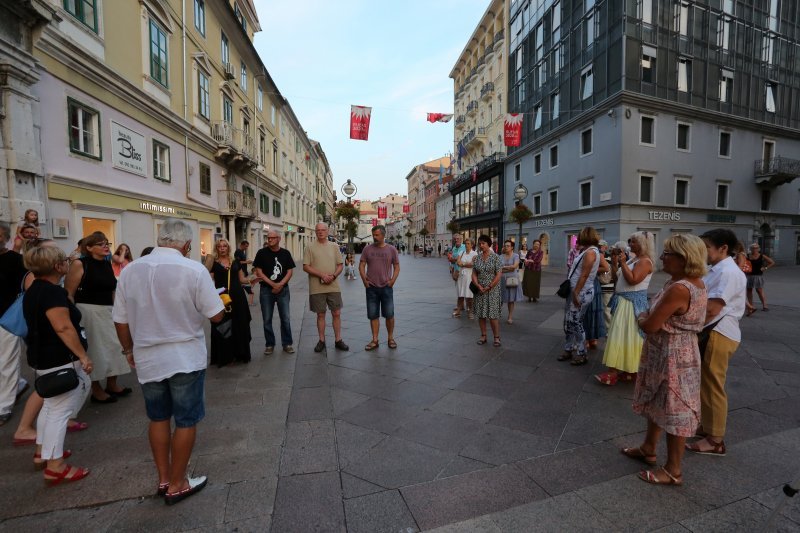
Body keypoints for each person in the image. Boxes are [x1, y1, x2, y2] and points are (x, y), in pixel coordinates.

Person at [113, 218, 224, 504]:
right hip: (184, 355)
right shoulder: (194, 270)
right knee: (186, 420)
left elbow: (120, 320)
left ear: (160, 239)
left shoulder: (130, 271)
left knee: (158, 417)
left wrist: (128, 350)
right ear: (187, 245)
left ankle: (164, 479)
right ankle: (179, 482)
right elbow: (217, 316)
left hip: (148, 356)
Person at [623, 233, 708, 486]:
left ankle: (673, 470)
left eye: (668, 253)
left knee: (674, 409)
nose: (662, 257)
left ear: (684, 258)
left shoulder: (680, 288)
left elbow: (650, 324)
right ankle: (649, 447)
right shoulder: (685, 282)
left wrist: (641, 318)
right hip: (673, 351)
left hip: (673, 356)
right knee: (659, 400)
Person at [23, 245, 93, 484]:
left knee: (51, 407)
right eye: (64, 260)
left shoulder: (35, 289)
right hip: (59, 358)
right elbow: (63, 327)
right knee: (59, 411)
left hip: (42, 356)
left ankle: (42, 452)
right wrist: (82, 356)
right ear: (57, 266)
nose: (67, 262)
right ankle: (55, 465)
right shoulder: (52, 293)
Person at [685, 229, 746, 457]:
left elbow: (712, 309)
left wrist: (690, 328)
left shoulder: (729, 272)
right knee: (706, 383)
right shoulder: (719, 269)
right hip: (714, 332)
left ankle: (716, 440)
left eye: (707, 247)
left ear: (723, 248)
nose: (704, 251)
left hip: (718, 333)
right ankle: (708, 427)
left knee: (713, 385)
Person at [64, 232, 131, 403]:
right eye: (100, 244)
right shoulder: (80, 264)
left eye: (106, 243)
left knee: (115, 347)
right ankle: (96, 389)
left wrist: (119, 310)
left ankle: (112, 384)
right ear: (89, 247)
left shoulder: (107, 264)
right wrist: (72, 316)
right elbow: (69, 293)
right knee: (96, 350)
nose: (105, 246)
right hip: (89, 312)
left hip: (109, 311)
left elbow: (112, 289)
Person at [595, 232, 655, 384]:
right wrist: (615, 264)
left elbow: (633, 280)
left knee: (623, 335)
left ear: (643, 244)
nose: (630, 244)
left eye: (633, 241)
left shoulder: (645, 262)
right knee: (622, 335)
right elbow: (617, 279)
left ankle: (615, 372)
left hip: (631, 303)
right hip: (623, 301)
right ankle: (628, 371)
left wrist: (622, 263)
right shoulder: (634, 259)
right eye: (630, 241)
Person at [204, 239, 251, 366]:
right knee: (223, 325)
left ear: (228, 248)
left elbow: (242, 279)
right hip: (221, 298)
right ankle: (225, 356)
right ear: (217, 248)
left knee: (239, 324)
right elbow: (206, 280)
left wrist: (254, 278)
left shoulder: (235, 262)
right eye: (219, 246)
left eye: (225, 246)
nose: (222, 248)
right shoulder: (213, 263)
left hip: (238, 297)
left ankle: (239, 354)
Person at [558, 227, 601, 366]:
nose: (578, 236)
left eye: (580, 235)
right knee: (570, 321)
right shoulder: (589, 251)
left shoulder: (590, 253)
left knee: (576, 322)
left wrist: (576, 292)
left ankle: (582, 353)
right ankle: (569, 349)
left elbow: (584, 274)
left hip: (582, 292)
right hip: (580, 291)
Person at [303, 223, 348, 353]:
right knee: (320, 314)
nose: (321, 232)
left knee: (336, 313)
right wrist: (322, 275)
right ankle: (321, 340)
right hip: (317, 286)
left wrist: (333, 276)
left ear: (327, 231)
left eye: (323, 230)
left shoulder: (334, 246)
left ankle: (338, 340)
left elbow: (340, 265)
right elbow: (306, 266)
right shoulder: (310, 247)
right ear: (315, 232)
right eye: (318, 230)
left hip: (333, 286)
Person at [0, 222, 28, 426]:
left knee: (7, 362)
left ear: (7, 238)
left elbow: (27, 286)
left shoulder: (17, 260)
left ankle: (4, 406)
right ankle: (18, 385)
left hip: (8, 319)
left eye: (0, 235)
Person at [252, 230, 295, 355]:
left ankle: (287, 343)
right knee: (267, 319)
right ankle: (270, 344)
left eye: (272, 238)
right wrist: (273, 284)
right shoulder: (261, 253)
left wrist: (280, 285)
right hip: (266, 290)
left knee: (285, 318)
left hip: (283, 290)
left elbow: (289, 271)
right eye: (268, 237)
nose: (269, 239)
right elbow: (259, 272)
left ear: (279, 239)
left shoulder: (285, 253)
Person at [359, 225, 400, 351]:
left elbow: (397, 266)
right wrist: (364, 280)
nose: (374, 237)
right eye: (373, 235)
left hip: (386, 287)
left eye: (377, 235)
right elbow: (361, 265)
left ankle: (390, 338)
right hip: (371, 287)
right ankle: (375, 339)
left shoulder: (392, 249)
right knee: (373, 315)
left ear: (383, 235)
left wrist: (392, 281)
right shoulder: (367, 249)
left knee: (389, 314)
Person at [472, 235, 503, 347]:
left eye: (483, 243)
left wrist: (489, 286)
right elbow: (474, 273)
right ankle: (483, 335)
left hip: (492, 290)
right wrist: (477, 285)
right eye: (480, 243)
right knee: (481, 314)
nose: (481, 245)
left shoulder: (496, 257)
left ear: (489, 244)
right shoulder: (477, 258)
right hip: (480, 289)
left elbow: (499, 274)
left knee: (493, 315)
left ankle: (496, 337)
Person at [583, 247, 610, 349]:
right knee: (585, 312)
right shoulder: (581, 252)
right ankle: (586, 338)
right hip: (584, 283)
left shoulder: (596, 252)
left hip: (592, 283)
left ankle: (592, 339)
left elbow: (606, 268)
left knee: (592, 311)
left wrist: (591, 270)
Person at [745, 242, 775, 313]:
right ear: (751, 249)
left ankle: (765, 305)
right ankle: (751, 306)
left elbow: (772, 262)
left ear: (758, 249)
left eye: (756, 248)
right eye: (753, 248)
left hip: (758, 275)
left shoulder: (762, 256)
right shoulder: (748, 256)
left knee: (759, 290)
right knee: (749, 291)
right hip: (749, 275)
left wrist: (766, 268)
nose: (754, 249)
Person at [500, 240, 523, 325]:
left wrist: (504, 268)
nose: (506, 247)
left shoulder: (516, 256)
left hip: (512, 279)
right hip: (502, 279)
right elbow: (499, 268)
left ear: (512, 247)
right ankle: (497, 313)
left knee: (511, 299)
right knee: (500, 298)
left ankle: (510, 316)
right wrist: (508, 267)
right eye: (505, 245)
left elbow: (514, 267)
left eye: (508, 246)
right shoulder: (501, 256)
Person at [456, 238, 478, 320]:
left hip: (470, 275)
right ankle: (458, 310)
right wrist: (463, 264)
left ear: (472, 245)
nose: (466, 245)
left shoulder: (474, 253)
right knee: (460, 294)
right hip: (461, 276)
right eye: (465, 243)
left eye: (468, 243)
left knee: (469, 295)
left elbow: (473, 264)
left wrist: (463, 264)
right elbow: (458, 262)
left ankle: (470, 311)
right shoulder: (462, 252)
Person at [733, 242, 755, 316]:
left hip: (739, 275)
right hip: (740, 274)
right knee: (739, 292)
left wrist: (735, 273)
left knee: (738, 292)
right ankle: (750, 308)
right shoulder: (741, 254)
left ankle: (750, 307)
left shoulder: (740, 254)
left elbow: (741, 265)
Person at [597, 240, 615, 332]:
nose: (599, 248)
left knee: (607, 309)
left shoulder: (609, 257)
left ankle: (609, 330)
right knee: (602, 309)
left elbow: (609, 270)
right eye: (598, 246)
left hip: (607, 286)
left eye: (601, 246)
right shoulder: (597, 256)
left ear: (606, 247)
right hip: (599, 286)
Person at [447, 234, 466, 317]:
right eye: (455, 239)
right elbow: (452, 259)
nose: (456, 240)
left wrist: (453, 259)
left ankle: (461, 306)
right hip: (455, 270)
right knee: (458, 288)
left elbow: (461, 259)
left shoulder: (464, 247)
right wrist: (451, 267)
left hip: (462, 271)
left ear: (461, 239)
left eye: (458, 239)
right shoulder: (454, 248)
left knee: (462, 288)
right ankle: (461, 306)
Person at [234, 240, 255, 306]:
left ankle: (247, 301)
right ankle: (248, 301)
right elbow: (238, 262)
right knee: (246, 286)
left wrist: (247, 261)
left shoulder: (243, 252)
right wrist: (247, 262)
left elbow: (242, 261)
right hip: (241, 272)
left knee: (244, 286)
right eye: (246, 246)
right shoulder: (238, 251)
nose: (246, 248)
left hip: (244, 272)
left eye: (247, 246)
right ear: (242, 245)